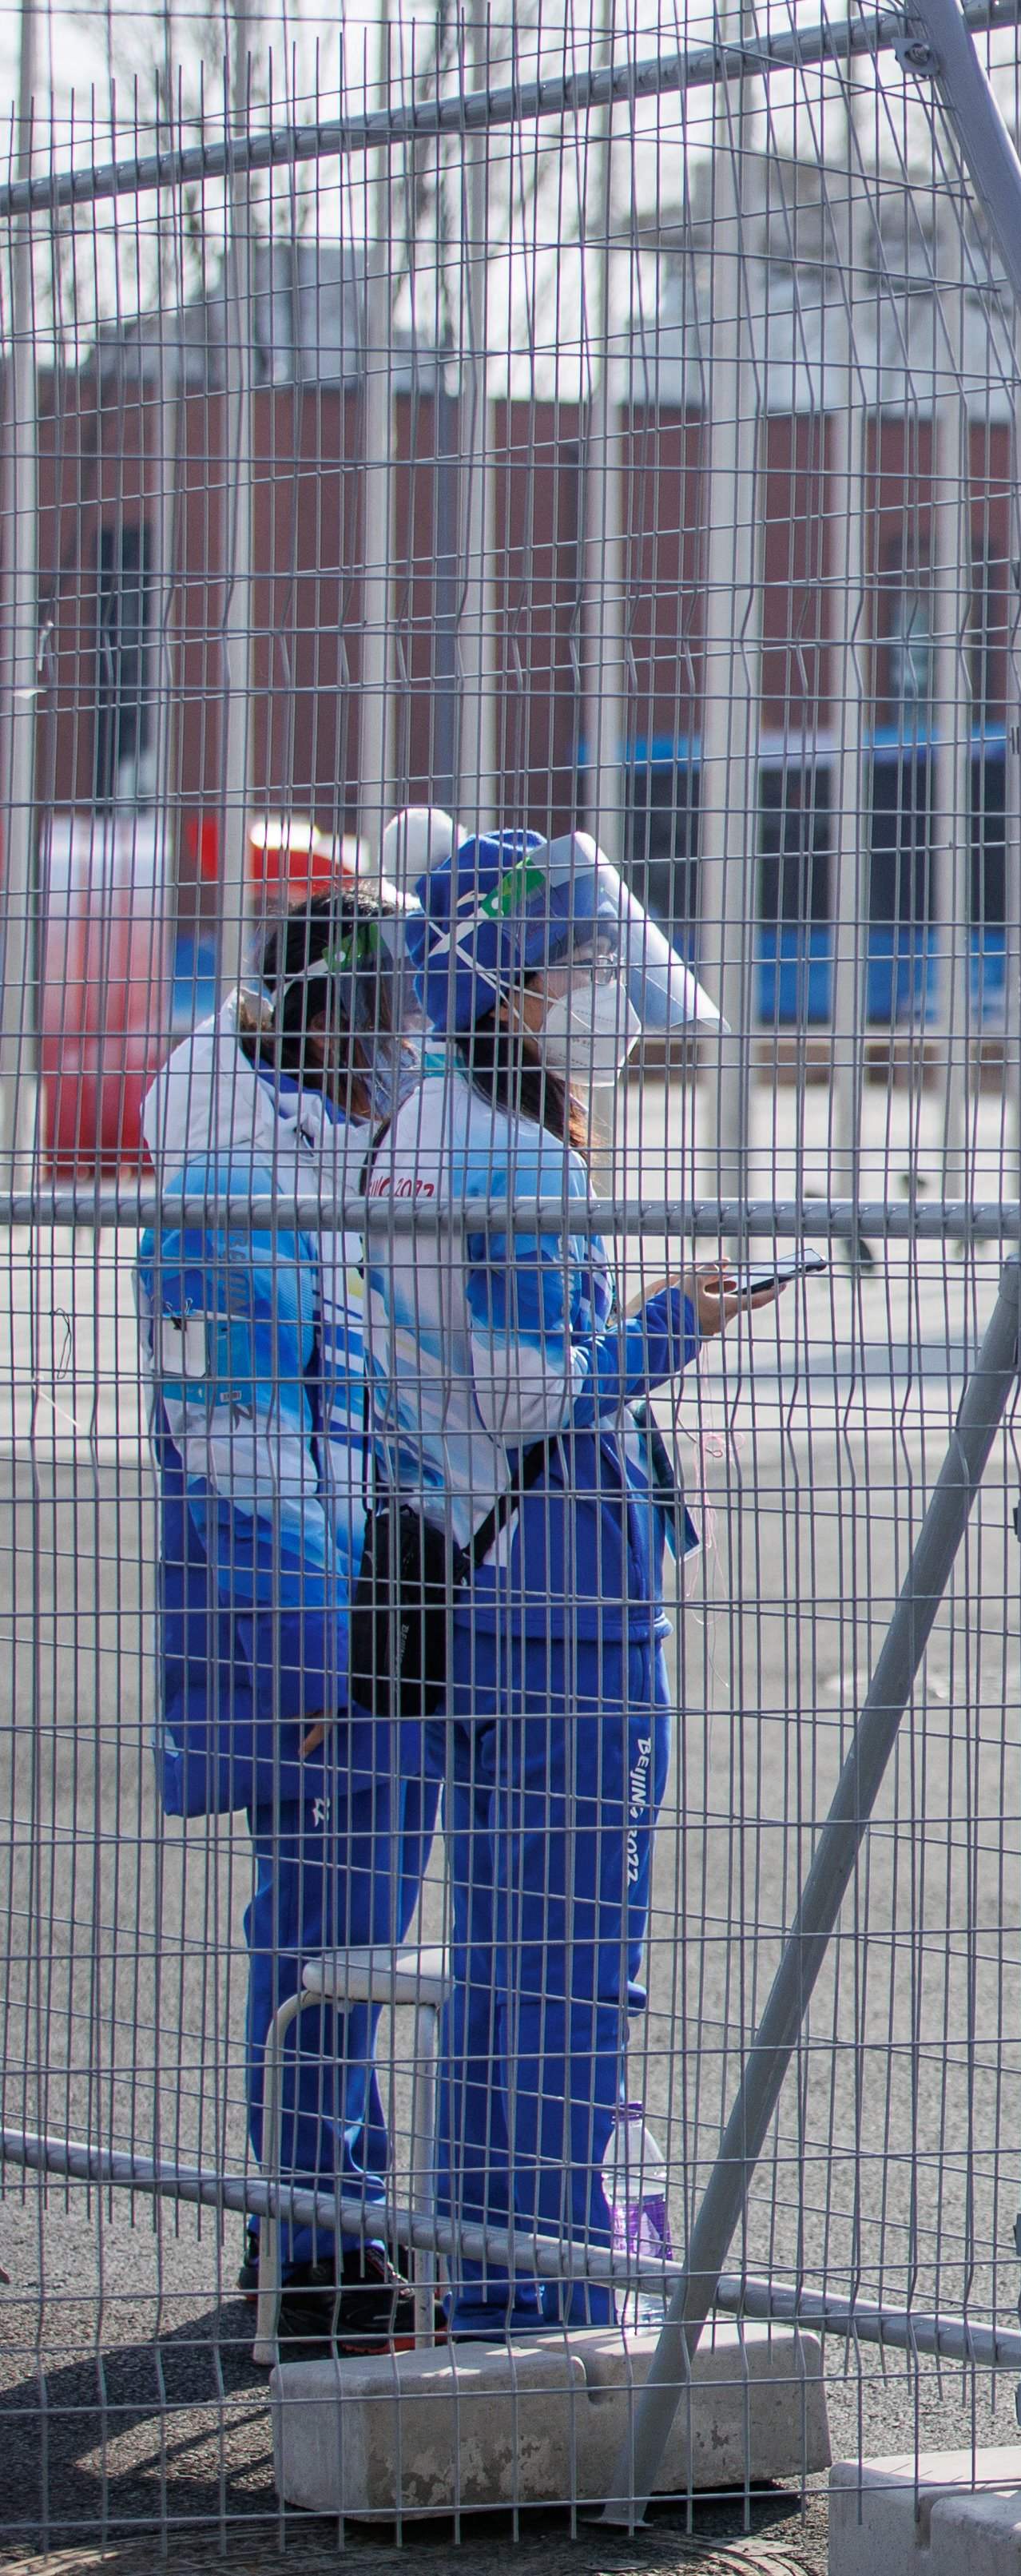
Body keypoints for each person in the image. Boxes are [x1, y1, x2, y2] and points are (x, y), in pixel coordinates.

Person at [363, 825, 780, 2340]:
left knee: (499, 1950)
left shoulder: (412, 1123)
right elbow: (541, 1394)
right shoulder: (517, 1150)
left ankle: (487, 2265)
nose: (596, 992)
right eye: (575, 968)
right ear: (510, 988)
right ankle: (534, 2287)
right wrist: (675, 1322)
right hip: (560, 1591)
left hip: (459, 1570)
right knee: (569, 1954)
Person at [137, 873, 435, 2359]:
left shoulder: (302, 1149)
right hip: (319, 1620)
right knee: (329, 1927)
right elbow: (238, 1447)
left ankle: (316, 2218)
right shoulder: (234, 1189)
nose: (408, 1049)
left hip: (345, 1598)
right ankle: (319, 2240)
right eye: (389, 1015)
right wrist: (325, 1651)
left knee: (334, 1929)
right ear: (325, 1013)